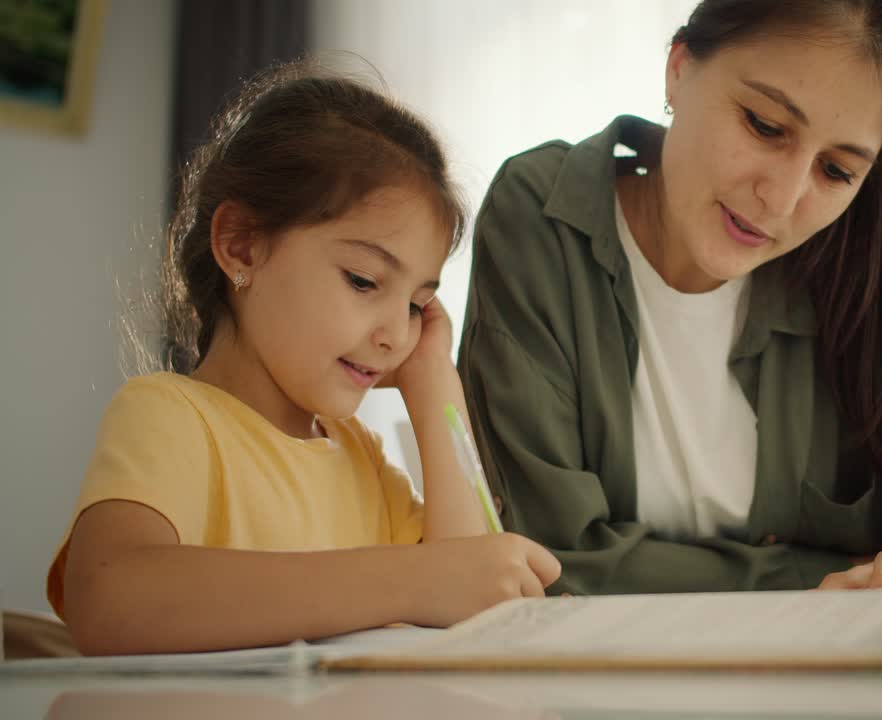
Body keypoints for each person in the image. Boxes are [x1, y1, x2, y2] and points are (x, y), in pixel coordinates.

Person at [458, 0, 882, 604]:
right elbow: (544, 558)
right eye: (764, 125)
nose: (781, 200)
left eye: (836, 171)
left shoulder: (875, 287)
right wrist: (821, 582)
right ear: (679, 68)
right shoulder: (540, 217)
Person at [47, 61, 560, 656]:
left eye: (417, 304)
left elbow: (475, 601)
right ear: (241, 245)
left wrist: (434, 382)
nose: (398, 334)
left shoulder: (363, 459)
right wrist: (407, 581)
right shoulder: (172, 416)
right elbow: (111, 600)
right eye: (364, 281)